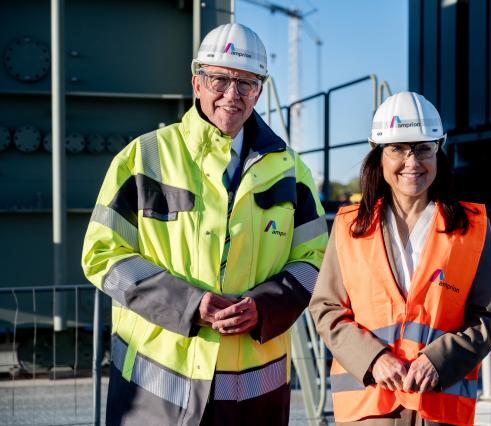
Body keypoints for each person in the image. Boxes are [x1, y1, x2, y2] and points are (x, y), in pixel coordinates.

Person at [82, 23, 327, 425]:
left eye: (245, 83)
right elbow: (102, 253)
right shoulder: (143, 157)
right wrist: (189, 304)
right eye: (219, 79)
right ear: (197, 82)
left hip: (253, 397)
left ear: (259, 92)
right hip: (154, 395)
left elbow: (316, 260)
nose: (231, 95)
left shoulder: (290, 171)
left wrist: (264, 307)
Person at [309, 91, 491, 426]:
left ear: (438, 151)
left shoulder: (471, 228)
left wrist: (439, 361)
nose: (412, 162)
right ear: (379, 155)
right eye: (398, 149)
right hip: (370, 405)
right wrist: (373, 359)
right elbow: (327, 309)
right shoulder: (349, 227)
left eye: (423, 148)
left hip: (439, 407)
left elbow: (488, 317)